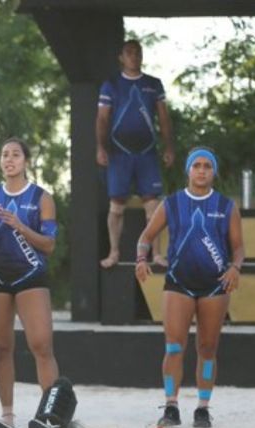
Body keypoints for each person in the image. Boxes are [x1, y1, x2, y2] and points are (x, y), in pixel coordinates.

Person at [135, 147, 243, 428]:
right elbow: (145, 237)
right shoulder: (172, 203)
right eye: (197, 165)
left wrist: (235, 267)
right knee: (174, 346)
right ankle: (171, 406)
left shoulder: (225, 206)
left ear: (214, 171)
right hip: (178, 283)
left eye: (208, 166)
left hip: (214, 286)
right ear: (188, 170)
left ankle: (203, 408)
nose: (202, 170)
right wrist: (141, 258)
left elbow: (239, 247)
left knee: (208, 348)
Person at [0, 138, 59, 426]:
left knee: (42, 345)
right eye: (5, 155)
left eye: (16, 155)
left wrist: (20, 226)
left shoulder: (42, 198)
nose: (9, 159)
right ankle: (7, 415)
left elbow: (49, 245)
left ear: (26, 161)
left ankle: (51, 415)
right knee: (2, 347)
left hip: (31, 276)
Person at [96, 39, 175, 269]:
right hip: (119, 153)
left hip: (147, 153)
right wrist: (100, 147)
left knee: (153, 207)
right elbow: (102, 118)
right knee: (117, 205)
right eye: (129, 53)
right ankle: (114, 253)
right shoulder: (111, 84)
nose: (134, 56)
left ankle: (157, 254)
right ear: (121, 57)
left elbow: (163, 118)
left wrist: (169, 147)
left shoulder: (153, 84)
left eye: (137, 52)